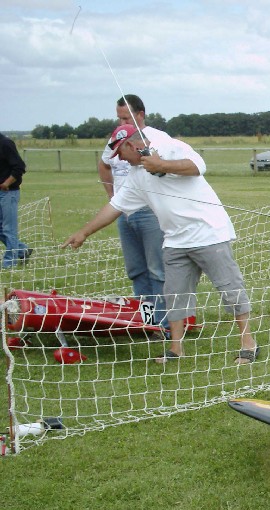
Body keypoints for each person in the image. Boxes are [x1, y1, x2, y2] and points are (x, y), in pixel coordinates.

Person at [63, 124, 258, 366]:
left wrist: (161, 166)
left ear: (132, 145)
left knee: (230, 289)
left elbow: (198, 166)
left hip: (209, 233)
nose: (120, 159)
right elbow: (114, 207)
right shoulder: (135, 177)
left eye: (120, 153)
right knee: (173, 295)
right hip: (175, 241)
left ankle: (248, 344)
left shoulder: (170, 148)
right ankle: (176, 349)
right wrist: (84, 232)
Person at [98, 94, 168, 331]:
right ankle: (149, 321)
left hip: (149, 212)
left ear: (140, 115)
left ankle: (165, 323)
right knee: (137, 271)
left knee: (157, 270)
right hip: (123, 214)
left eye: (126, 118)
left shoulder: (156, 139)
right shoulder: (115, 140)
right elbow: (104, 164)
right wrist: (113, 198)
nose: (121, 123)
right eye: (118, 118)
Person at [0, 132, 31, 268]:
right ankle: (22, 250)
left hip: (8, 192)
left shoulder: (5, 144)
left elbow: (19, 166)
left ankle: (9, 263)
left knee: (8, 229)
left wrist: (7, 183)